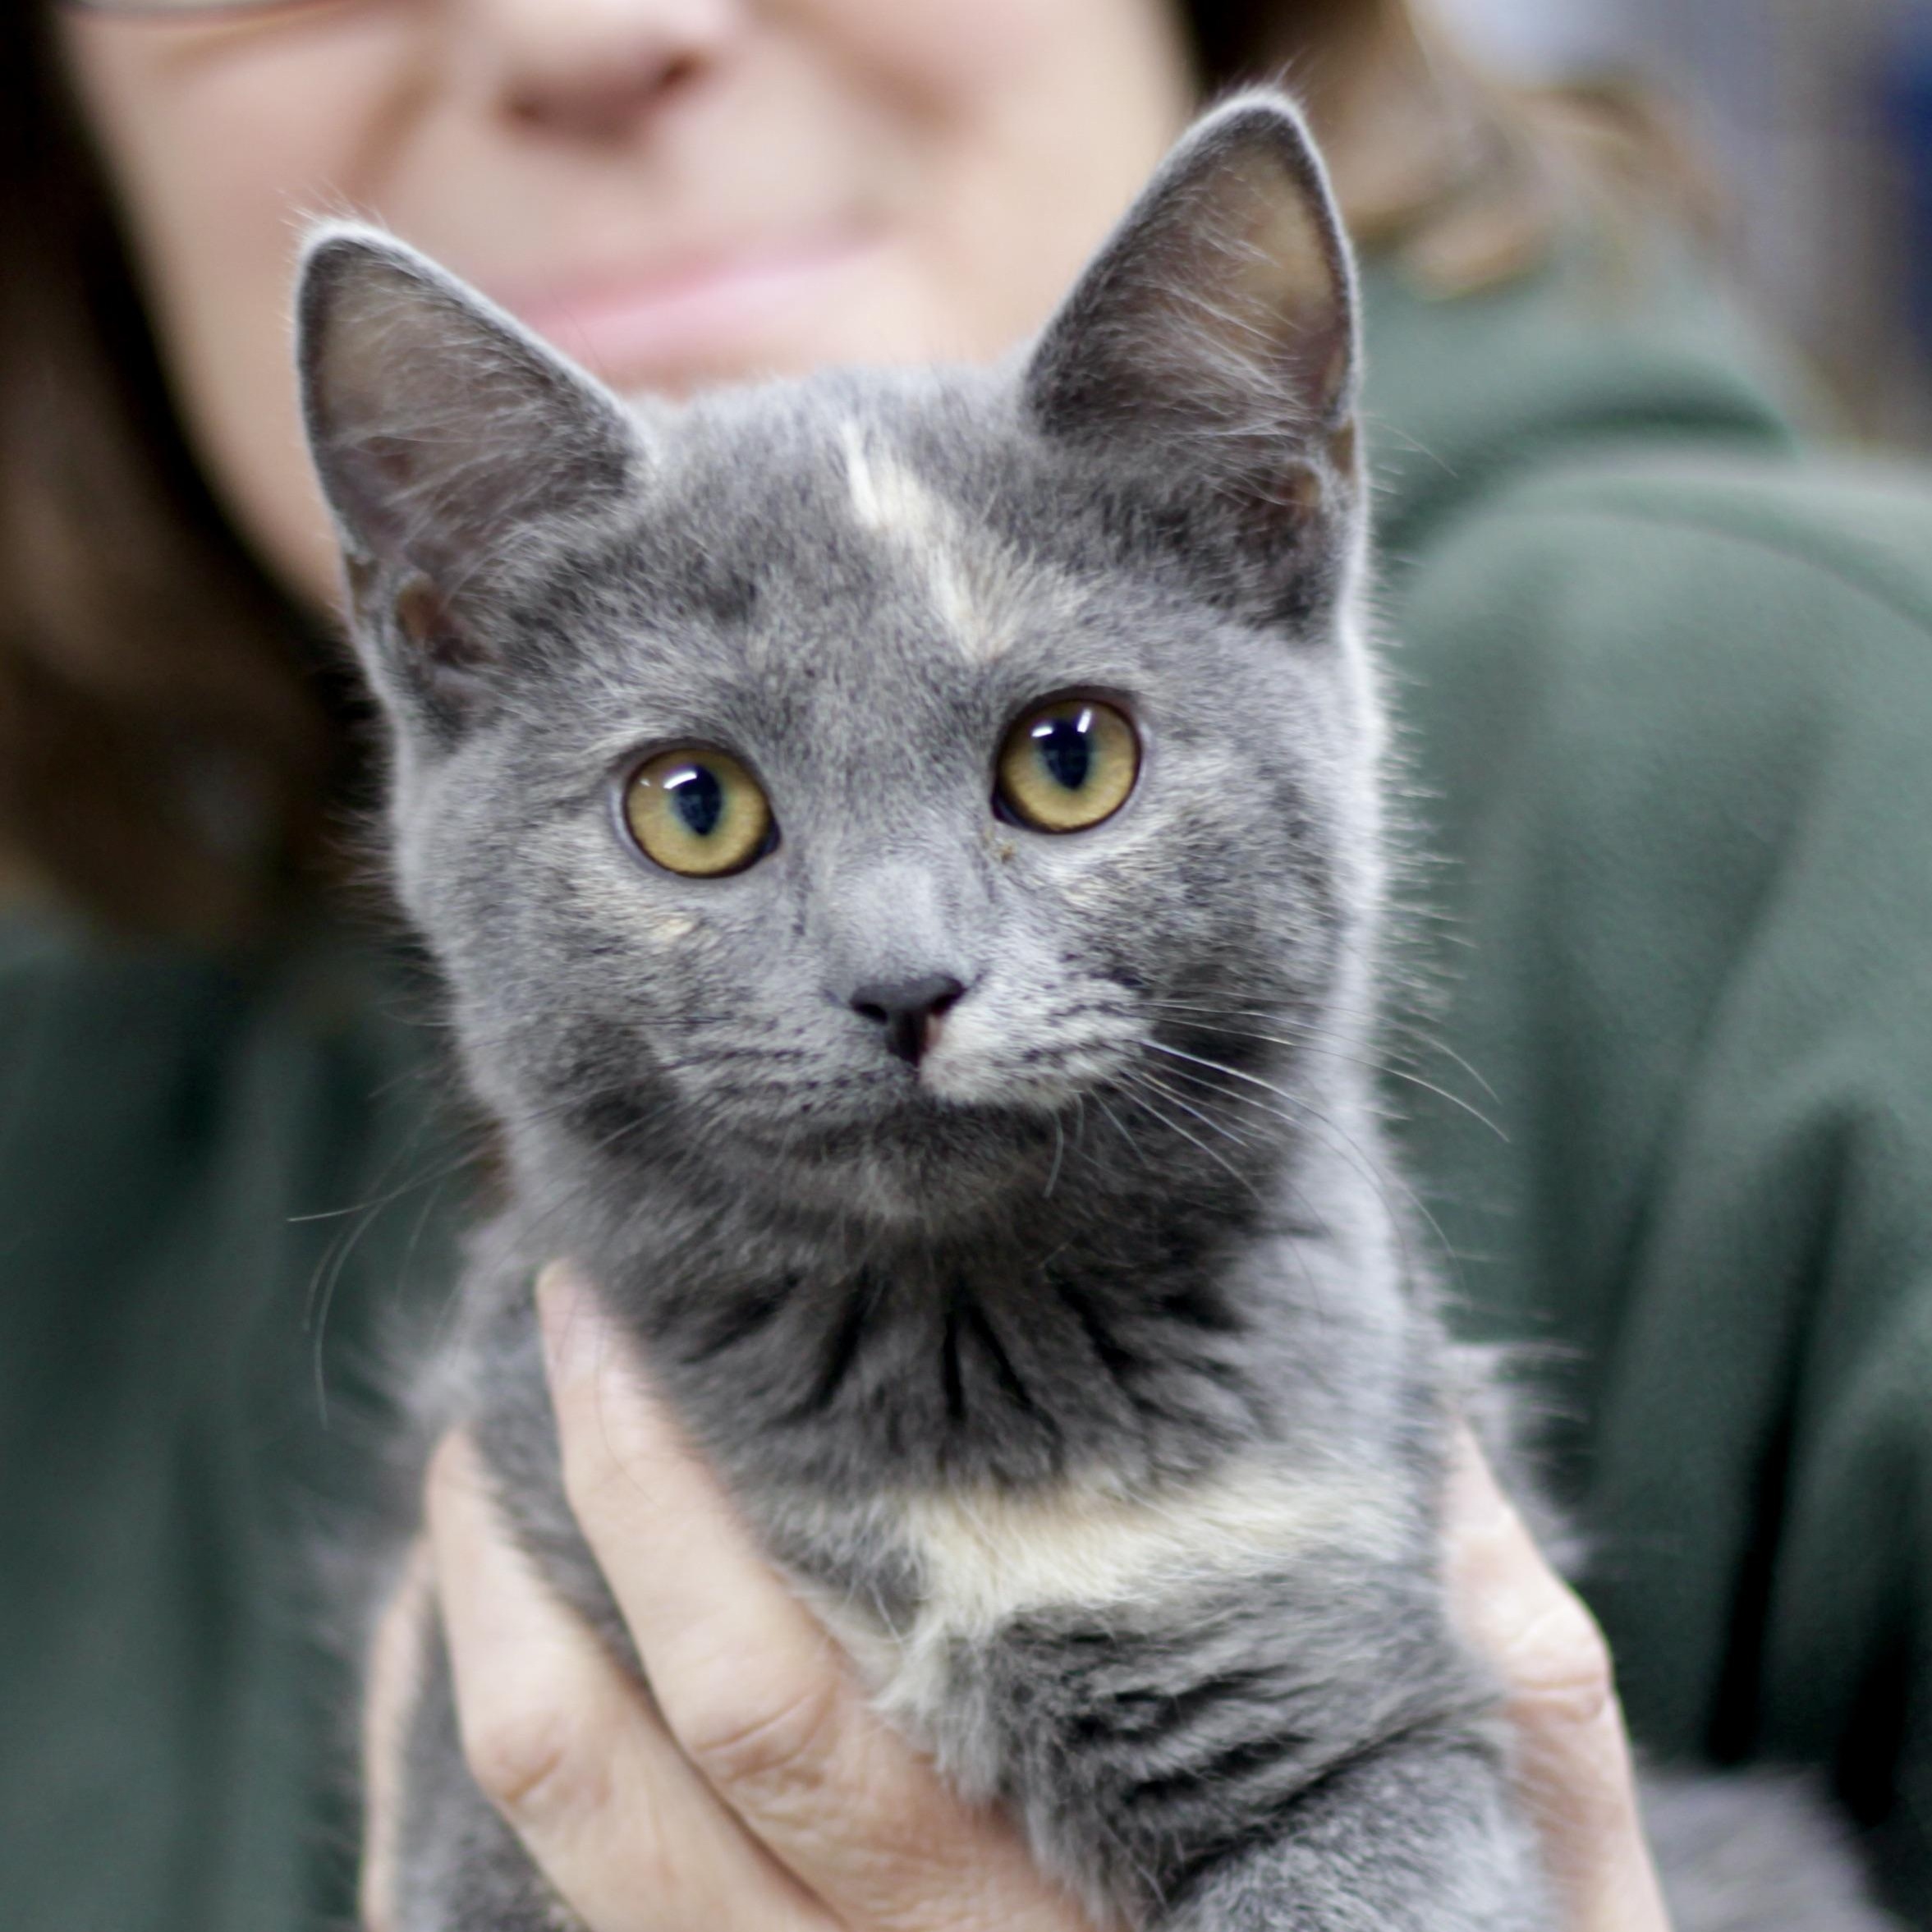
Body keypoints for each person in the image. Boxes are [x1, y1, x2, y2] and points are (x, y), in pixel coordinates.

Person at [2, 2, 1926, 1930]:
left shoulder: (1842, 762)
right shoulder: (66, 1072)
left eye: (1058, 759)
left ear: (1282, 525)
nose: (904, 961)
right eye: (697, 808)